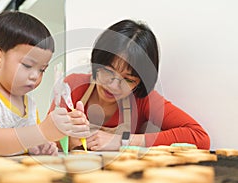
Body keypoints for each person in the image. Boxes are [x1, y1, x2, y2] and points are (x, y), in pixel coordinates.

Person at [49, 19, 210, 151]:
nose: (113, 85)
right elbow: (44, 140)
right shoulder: (72, 86)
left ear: (140, 82)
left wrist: (122, 141)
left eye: (128, 79)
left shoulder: (143, 100)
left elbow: (199, 137)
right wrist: (67, 141)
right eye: (108, 71)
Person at [0, 11, 90, 157]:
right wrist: (42, 131)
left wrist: (43, 145)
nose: (35, 76)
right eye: (27, 65)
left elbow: (28, 142)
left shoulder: (30, 106)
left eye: (42, 69)